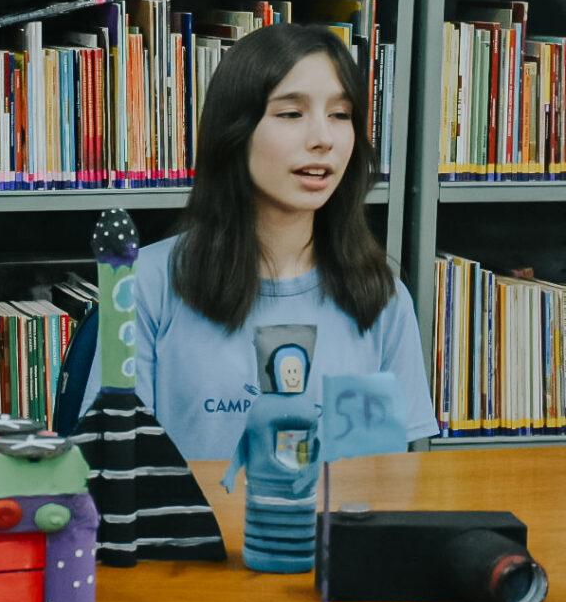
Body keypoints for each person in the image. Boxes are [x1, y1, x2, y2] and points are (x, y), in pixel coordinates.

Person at [80, 22, 438, 459]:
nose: (323, 138)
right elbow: (118, 467)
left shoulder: (379, 298)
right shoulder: (146, 285)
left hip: (322, 528)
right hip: (188, 528)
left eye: (341, 115)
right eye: (291, 114)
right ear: (235, 131)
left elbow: (372, 487)